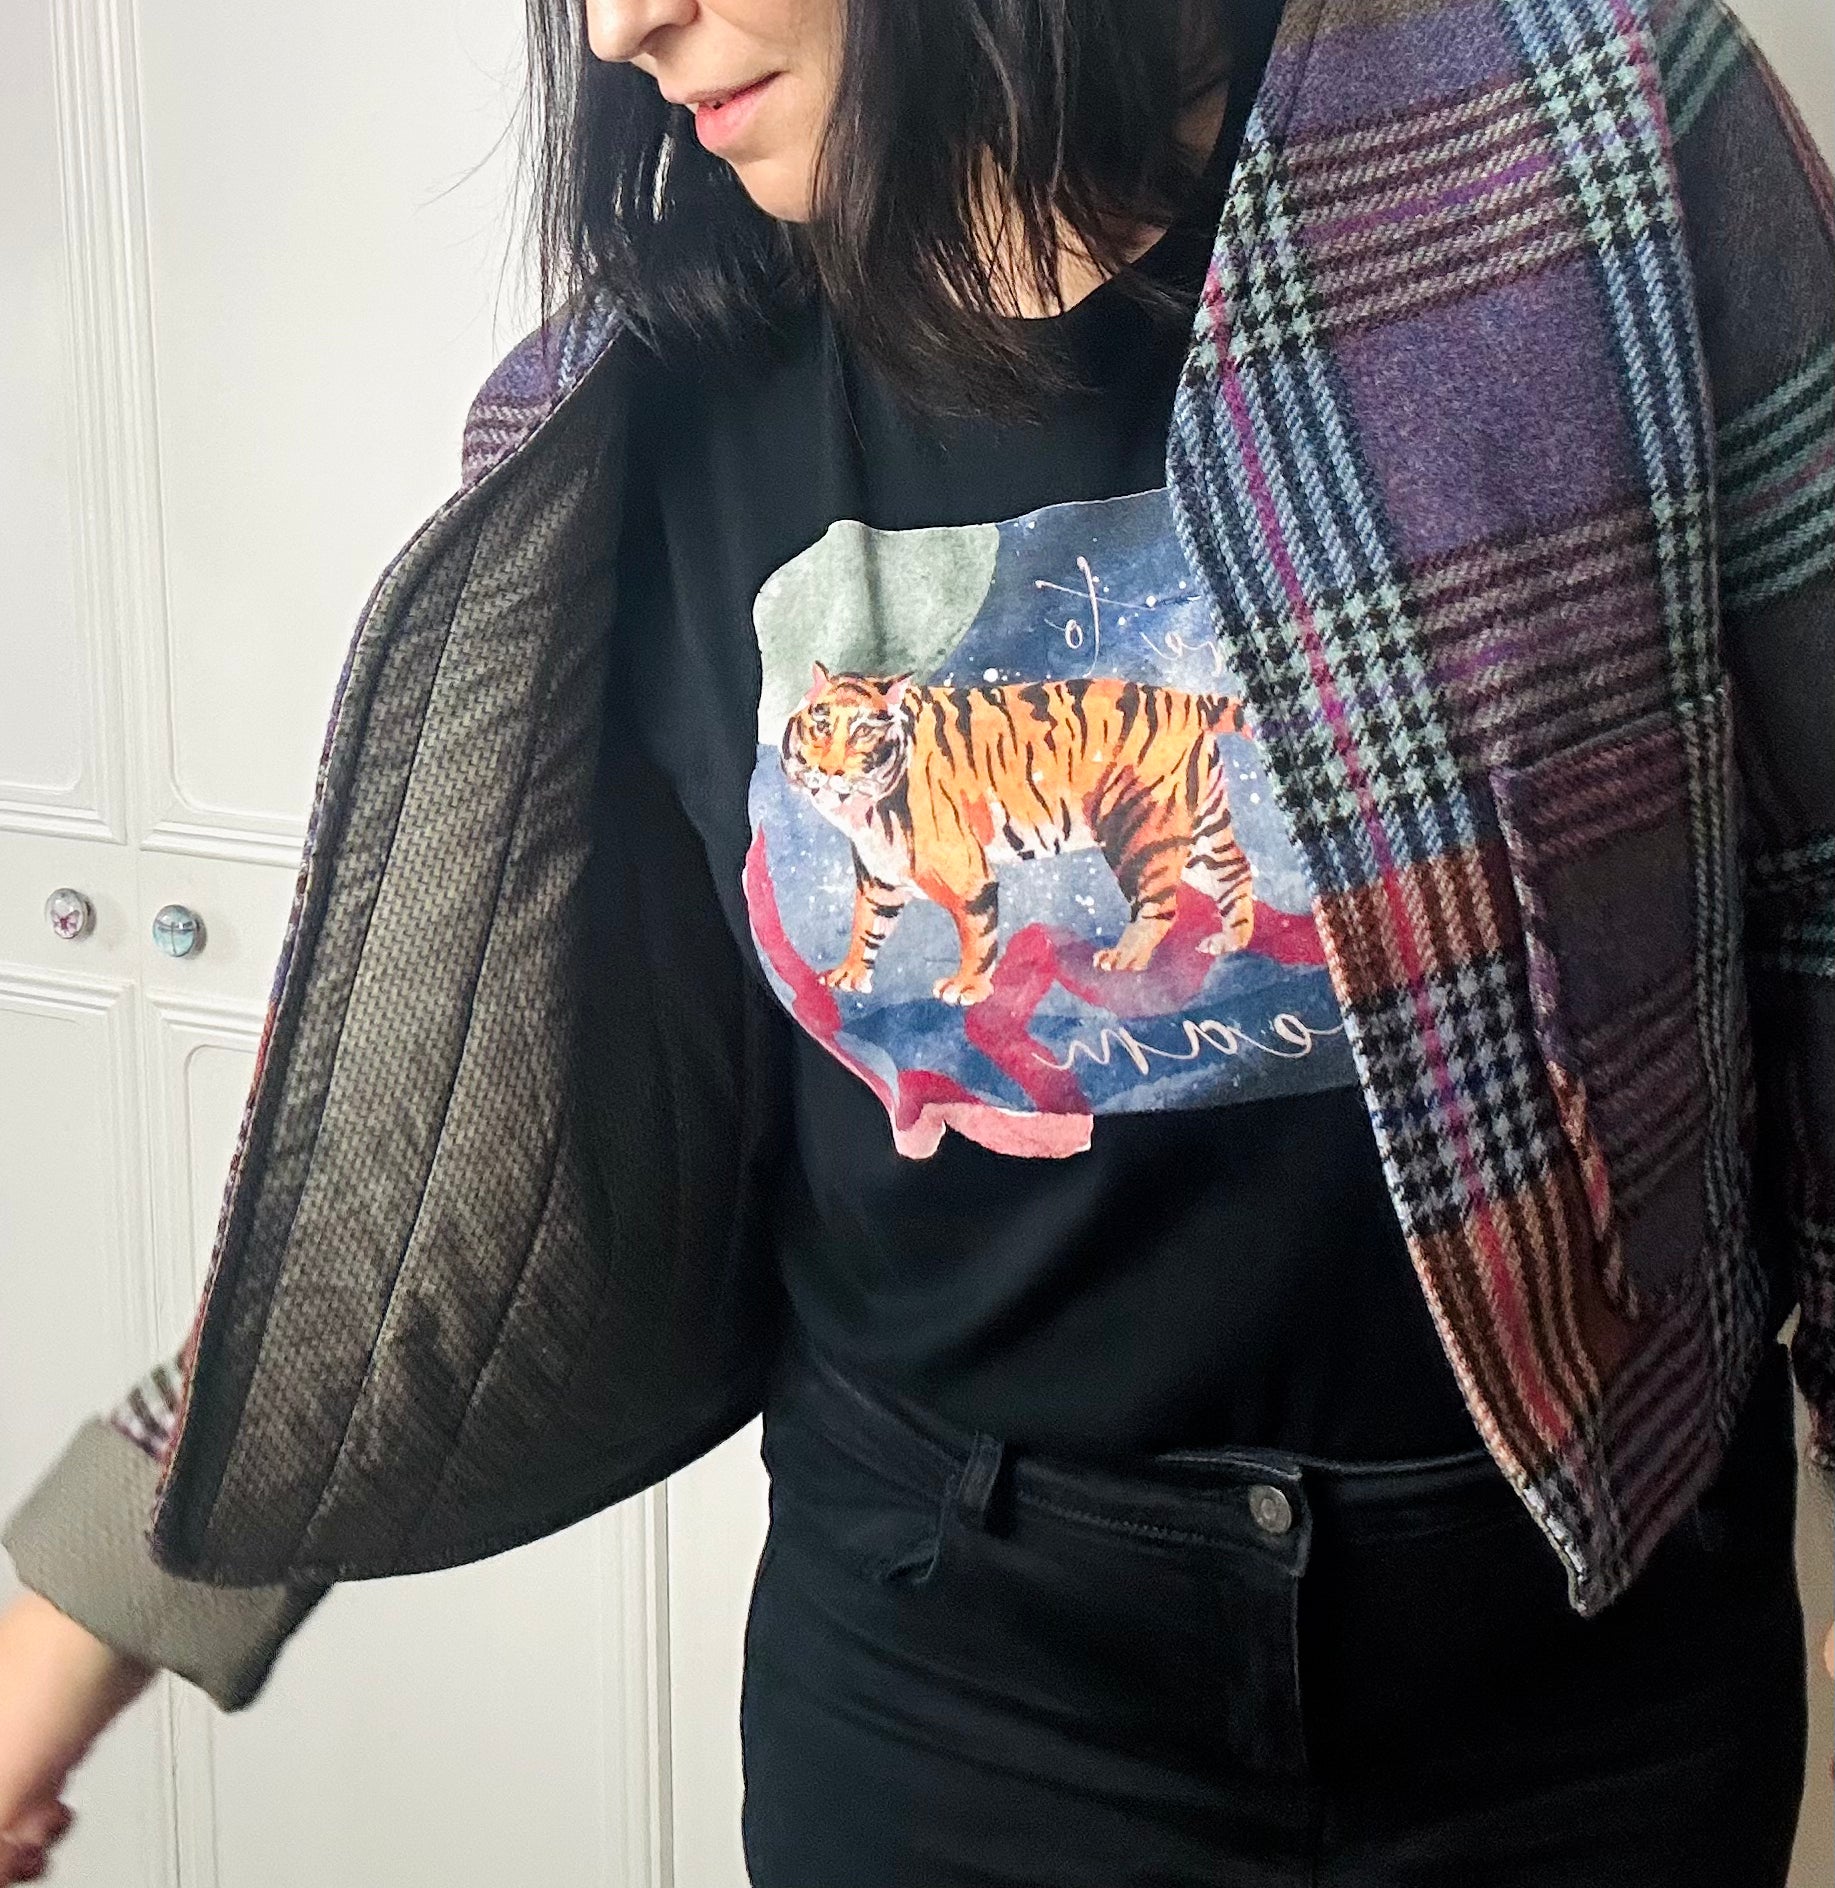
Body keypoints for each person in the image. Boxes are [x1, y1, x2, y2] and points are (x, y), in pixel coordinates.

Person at [2, 0, 1832, 1881]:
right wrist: (84, 1601)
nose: (626, 26)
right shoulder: (638, 411)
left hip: (1578, 1678)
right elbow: (482, 1164)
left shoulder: (1592, 124)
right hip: (951, 1689)